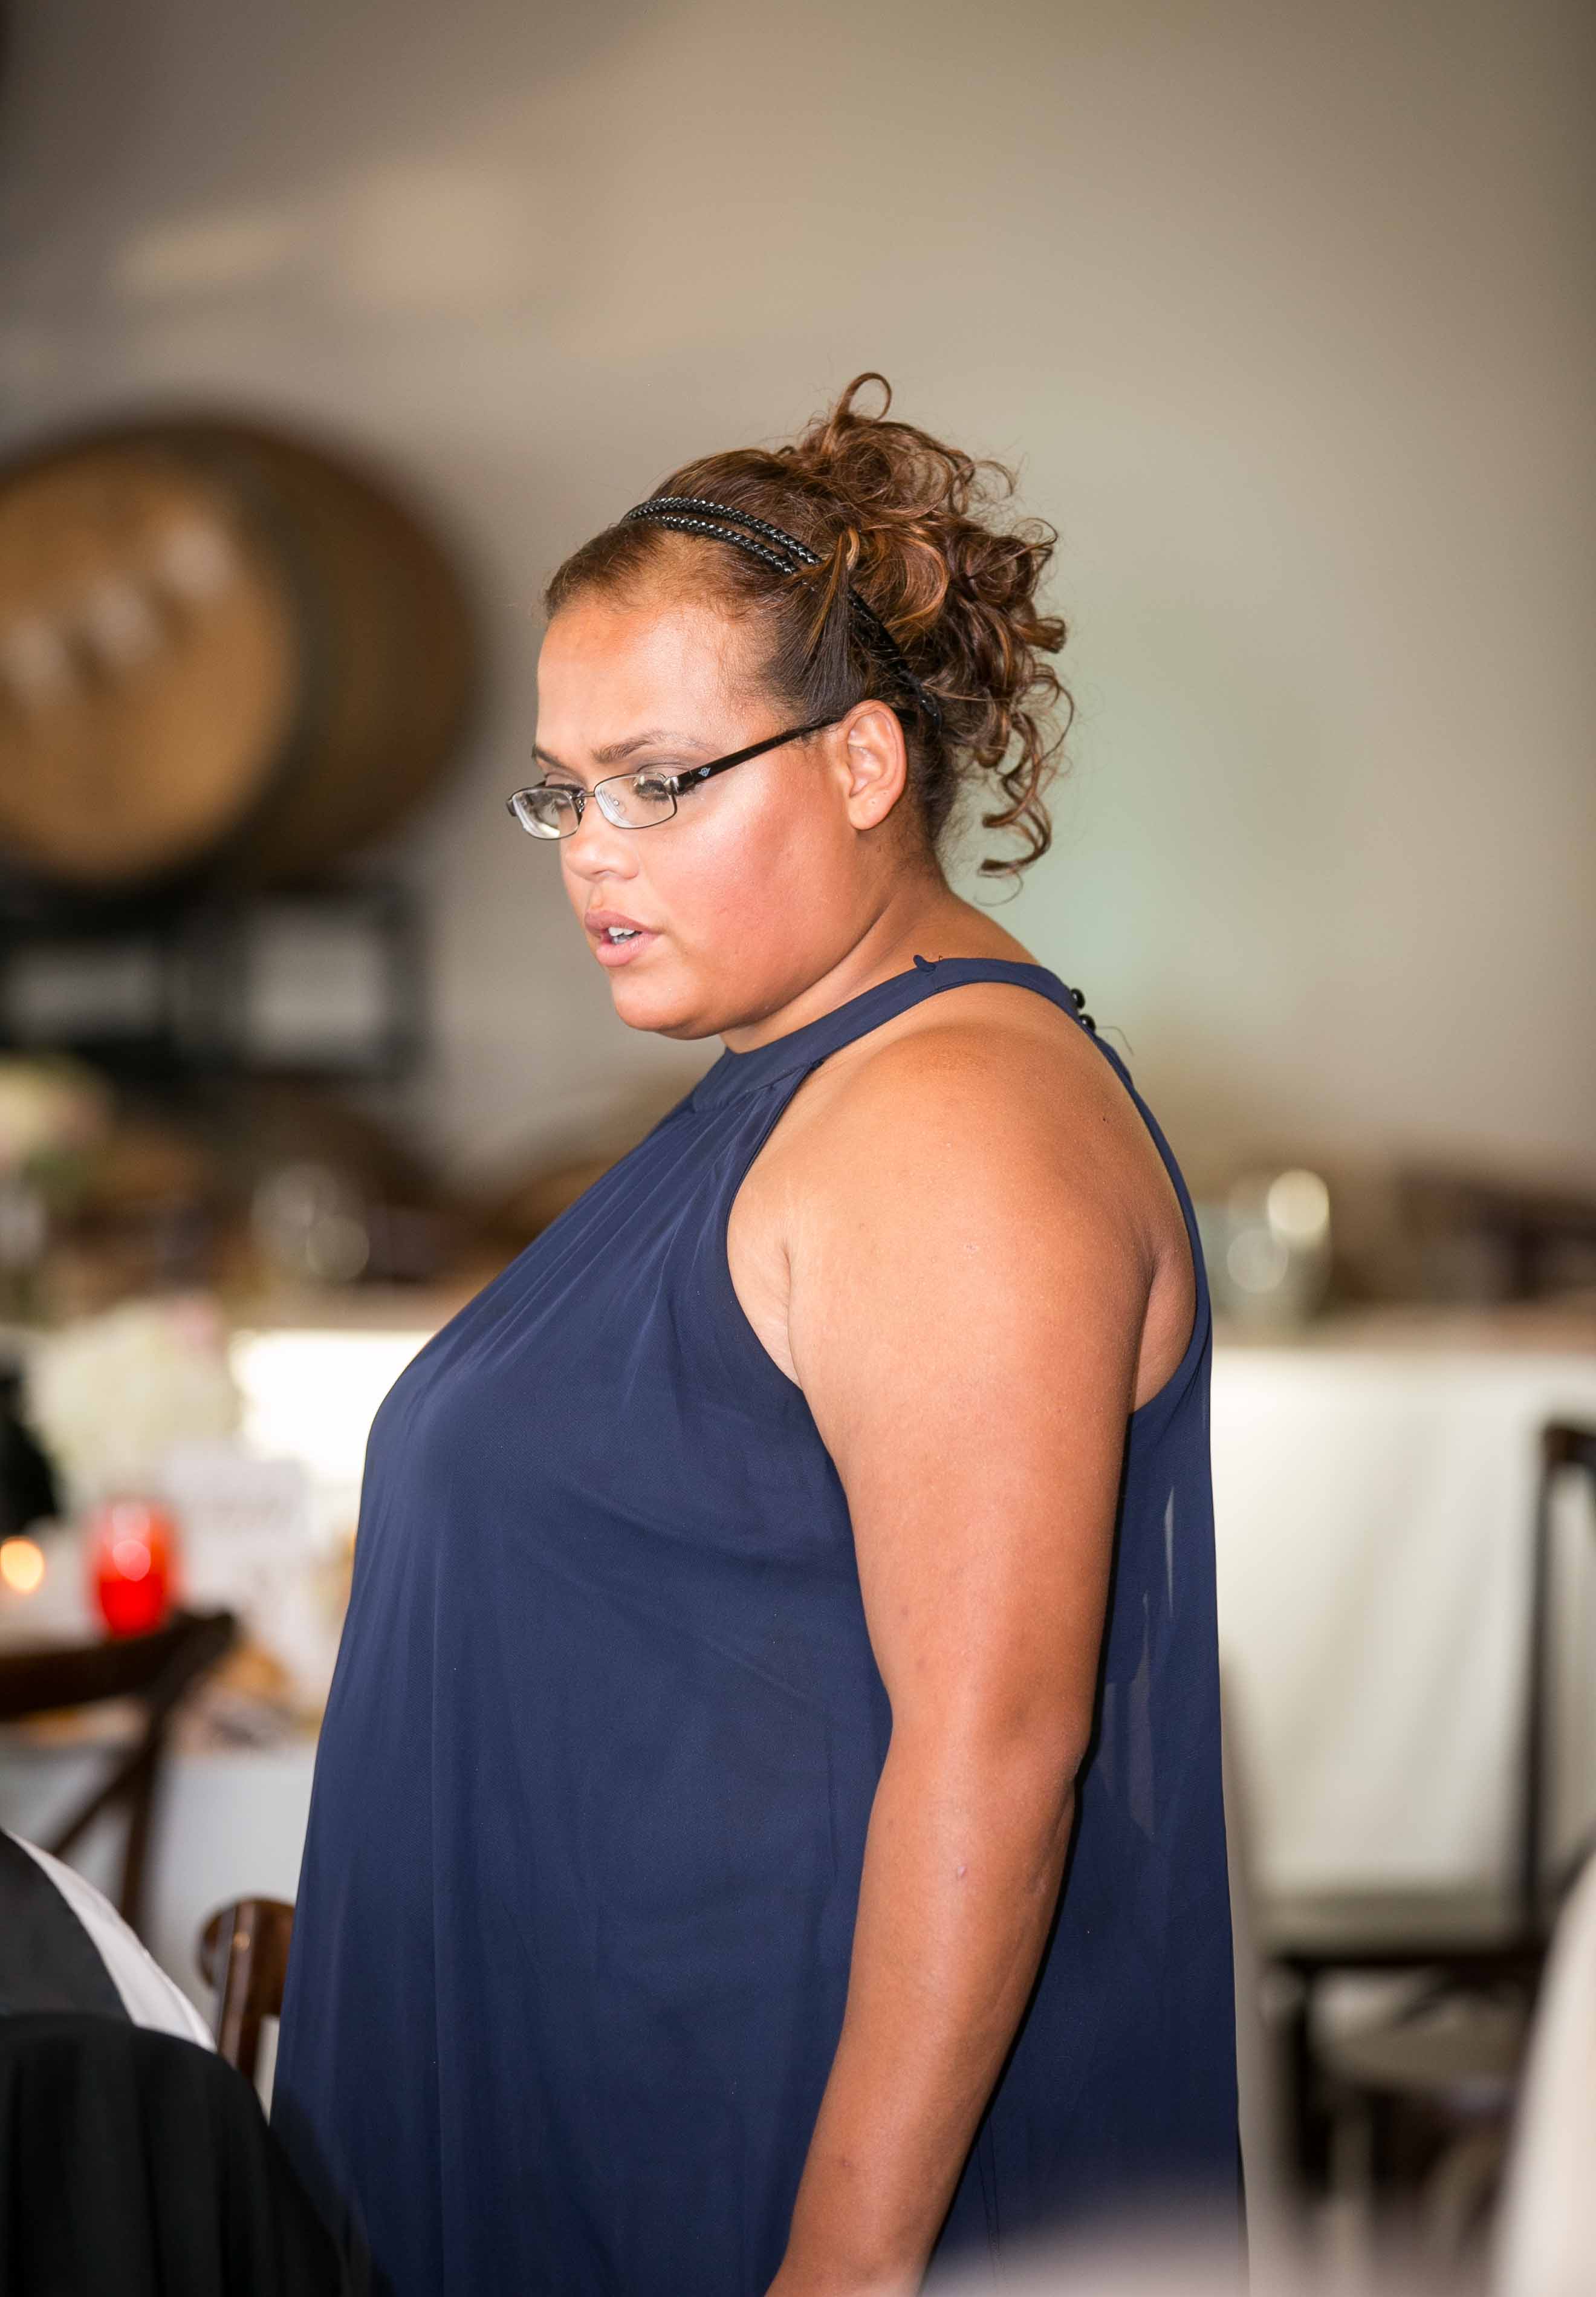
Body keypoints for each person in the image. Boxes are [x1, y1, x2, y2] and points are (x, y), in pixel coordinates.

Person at [273, 377, 1239, 2296]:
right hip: (647, 2102)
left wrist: (840, 2270)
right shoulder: (807, 1078)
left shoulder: (950, 1121)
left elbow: (995, 1750)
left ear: (864, 762)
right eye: (564, 789)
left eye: (658, 780)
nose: (590, 850)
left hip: (754, 2160)